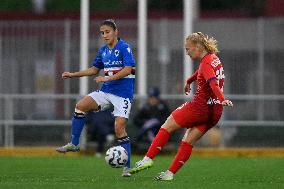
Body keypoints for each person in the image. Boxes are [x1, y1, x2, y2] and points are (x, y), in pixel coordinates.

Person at [129, 32, 233, 181]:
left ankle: (147, 159)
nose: (187, 52)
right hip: (215, 113)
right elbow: (202, 73)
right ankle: (169, 174)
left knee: (167, 125)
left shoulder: (205, 63)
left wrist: (223, 98)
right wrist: (190, 81)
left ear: (197, 47)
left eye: (188, 49)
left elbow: (213, 83)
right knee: (187, 141)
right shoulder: (214, 58)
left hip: (199, 108)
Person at [56, 19, 136, 177]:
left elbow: (128, 70)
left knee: (119, 128)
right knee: (80, 105)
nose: (105, 35)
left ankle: (127, 167)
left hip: (123, 94)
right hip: (106, 92)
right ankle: (74, 143)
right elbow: (94, 70)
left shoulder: (124, 47)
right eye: (102, 33)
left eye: (107, 32)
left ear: (115, 32)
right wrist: (73, 74)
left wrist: (107, 78)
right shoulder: (103, 50)